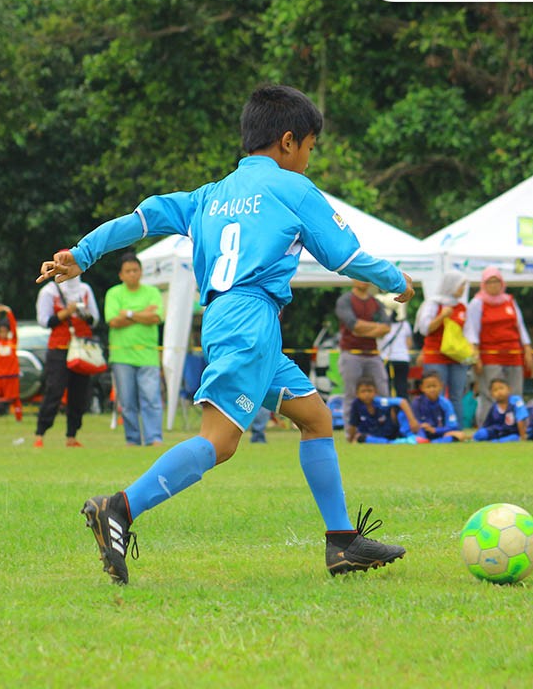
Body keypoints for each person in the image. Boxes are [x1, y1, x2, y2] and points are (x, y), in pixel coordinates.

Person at [37, 85, 414, 584]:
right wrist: (397, 281)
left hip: (225, 320)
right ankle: (119, 508)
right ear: (287, 142)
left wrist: (81, 254)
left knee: (316, 417)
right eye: (309, 148)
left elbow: (138, 221)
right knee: (221, 441)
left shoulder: (207, 197)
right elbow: (345, 257)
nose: (308, 159)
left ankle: (342, 542)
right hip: (251, 322)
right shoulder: (294, 190)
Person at [34, 275, 101, 448]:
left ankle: (72, 435)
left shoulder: (85, 289)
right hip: (59, 349)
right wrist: (66, 313)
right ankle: (40, 434)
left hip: (80, 349)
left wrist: (81, 312)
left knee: (79, 393)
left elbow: (94, 320)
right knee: (54, 390)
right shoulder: (49, 291)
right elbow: (44, 321)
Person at [105, 252, 164, 446]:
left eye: (135, 270)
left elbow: (156, 317)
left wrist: (128, 313)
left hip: (148, 355)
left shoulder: (152, 292)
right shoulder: (114, 293)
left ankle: (154, 438)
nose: (132, 274)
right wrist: (143, 314)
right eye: (128, 271)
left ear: (141, 272)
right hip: (122, 355)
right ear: (121, 275)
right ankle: (132, 439)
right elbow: (113, 321)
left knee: (151, 399)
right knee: (127, 401)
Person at [463, 267, 533, 427]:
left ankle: (518, 427)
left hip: (513, 354)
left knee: (515, 393)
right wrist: (476, 357)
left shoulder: (509, 300)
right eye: (489, 282)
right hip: (490, 356)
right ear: (484, 284)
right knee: (490, 393)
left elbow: (520, 326)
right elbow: (471, 330)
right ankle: (488, 428)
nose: (493, 285)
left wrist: (527, 349)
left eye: (496, 281)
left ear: (502, 283)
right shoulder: (477, 303)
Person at [335, 280, 391, 433]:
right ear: (353, 279)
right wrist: (375, 327)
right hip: (351, 354)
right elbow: (353, 325)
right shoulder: (345, 300)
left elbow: (386, 327)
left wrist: (363, 329)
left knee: (383, 391)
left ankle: (385, 430)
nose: (364, 281)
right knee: (351, 394)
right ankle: (351, 433)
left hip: (373, 354)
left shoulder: (375, 302)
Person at [414, 269, 470, 411]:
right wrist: (441, 317)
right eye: (461, 285)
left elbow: (468, 333)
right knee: (436, 394)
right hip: (436, 356)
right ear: (451, 285)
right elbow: (425, 329)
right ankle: (436, 428)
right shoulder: (433, 304)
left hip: (457, 357)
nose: (463, 289)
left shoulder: (462, 307)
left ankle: (456, 429)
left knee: (457, 395)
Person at [346, 377, 419, 445]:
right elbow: (353, 424)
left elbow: (402, 402)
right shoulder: (356, 405)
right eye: (363, 391)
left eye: (370, 391)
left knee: (400, 412)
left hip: (388, 432)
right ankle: (393, 442)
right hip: (371, 435)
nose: (367, 394)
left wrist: (412, 420)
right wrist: (350, 439)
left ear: (375, 392)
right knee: (361, 438)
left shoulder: (380, 402)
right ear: (357, 394)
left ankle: (409, 436)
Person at [0, 304, 24, 423]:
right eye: (0, 331)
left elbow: (14, 327)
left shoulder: (12, 341)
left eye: (5, 331)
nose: (2, 333)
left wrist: (9, 312)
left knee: (15, 398)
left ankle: (18, 419)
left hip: (11, 375)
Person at [411, 370, 465, 443]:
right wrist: (423, 426)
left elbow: (452, 426)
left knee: (460, 435)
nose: (432, 389)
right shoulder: (417, 402)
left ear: (441, 386)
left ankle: (434, 442)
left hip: (440, 433)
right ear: (422, 388)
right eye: (428, 387)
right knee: (418, 433)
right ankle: (424, 440)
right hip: (423, 433)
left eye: (434, 386)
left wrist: (435, 430)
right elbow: (414, 423)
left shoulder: (445, 403)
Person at [471, 377, 528, 443]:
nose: (499, 392)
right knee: (481, 434)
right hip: (496, 432)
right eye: (495, 390)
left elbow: (520, 419)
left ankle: (494, 442)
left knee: (514, 438)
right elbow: (486, 425)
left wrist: (522, 437)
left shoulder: (516, 401)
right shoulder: (494, 407)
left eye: (501, 388)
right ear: (491, 394)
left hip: (511, 432)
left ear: (509, 389)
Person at [378, 294, 413, 400]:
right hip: (402, 359)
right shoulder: (404, 324)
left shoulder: (380, 324)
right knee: (401, 389)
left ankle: (389, 413)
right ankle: (402, 414)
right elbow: (409, 344)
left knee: (386, 389)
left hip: (385, 359)